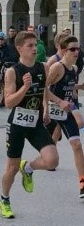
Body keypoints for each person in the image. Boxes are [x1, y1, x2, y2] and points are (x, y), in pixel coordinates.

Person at [0, 31, 58, 219]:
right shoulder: (12, 71)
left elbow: (44, 91)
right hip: (16, 124)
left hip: (36, 122)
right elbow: (8, 103)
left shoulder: (43, 67)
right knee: (11, 168)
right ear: (19, 48)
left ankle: (29, 168)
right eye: (30, 46)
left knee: (52, 160)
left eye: (36, 45)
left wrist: (48, 108)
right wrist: (24, 88)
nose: (35, 49)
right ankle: (4, 199)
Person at [44, 35, 84, 199]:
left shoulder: (73, 69)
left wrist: (79, 87)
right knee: (48, 152)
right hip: (53, 109)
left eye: (78, 49)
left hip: (65, 109)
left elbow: (68, 86)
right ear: (64, 50)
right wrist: (54, 104)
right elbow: (44, 88)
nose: (77, 52)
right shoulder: (57, 67)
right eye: (73, 49)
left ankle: (82, 183)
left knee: (76, 144)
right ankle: (29, 167)